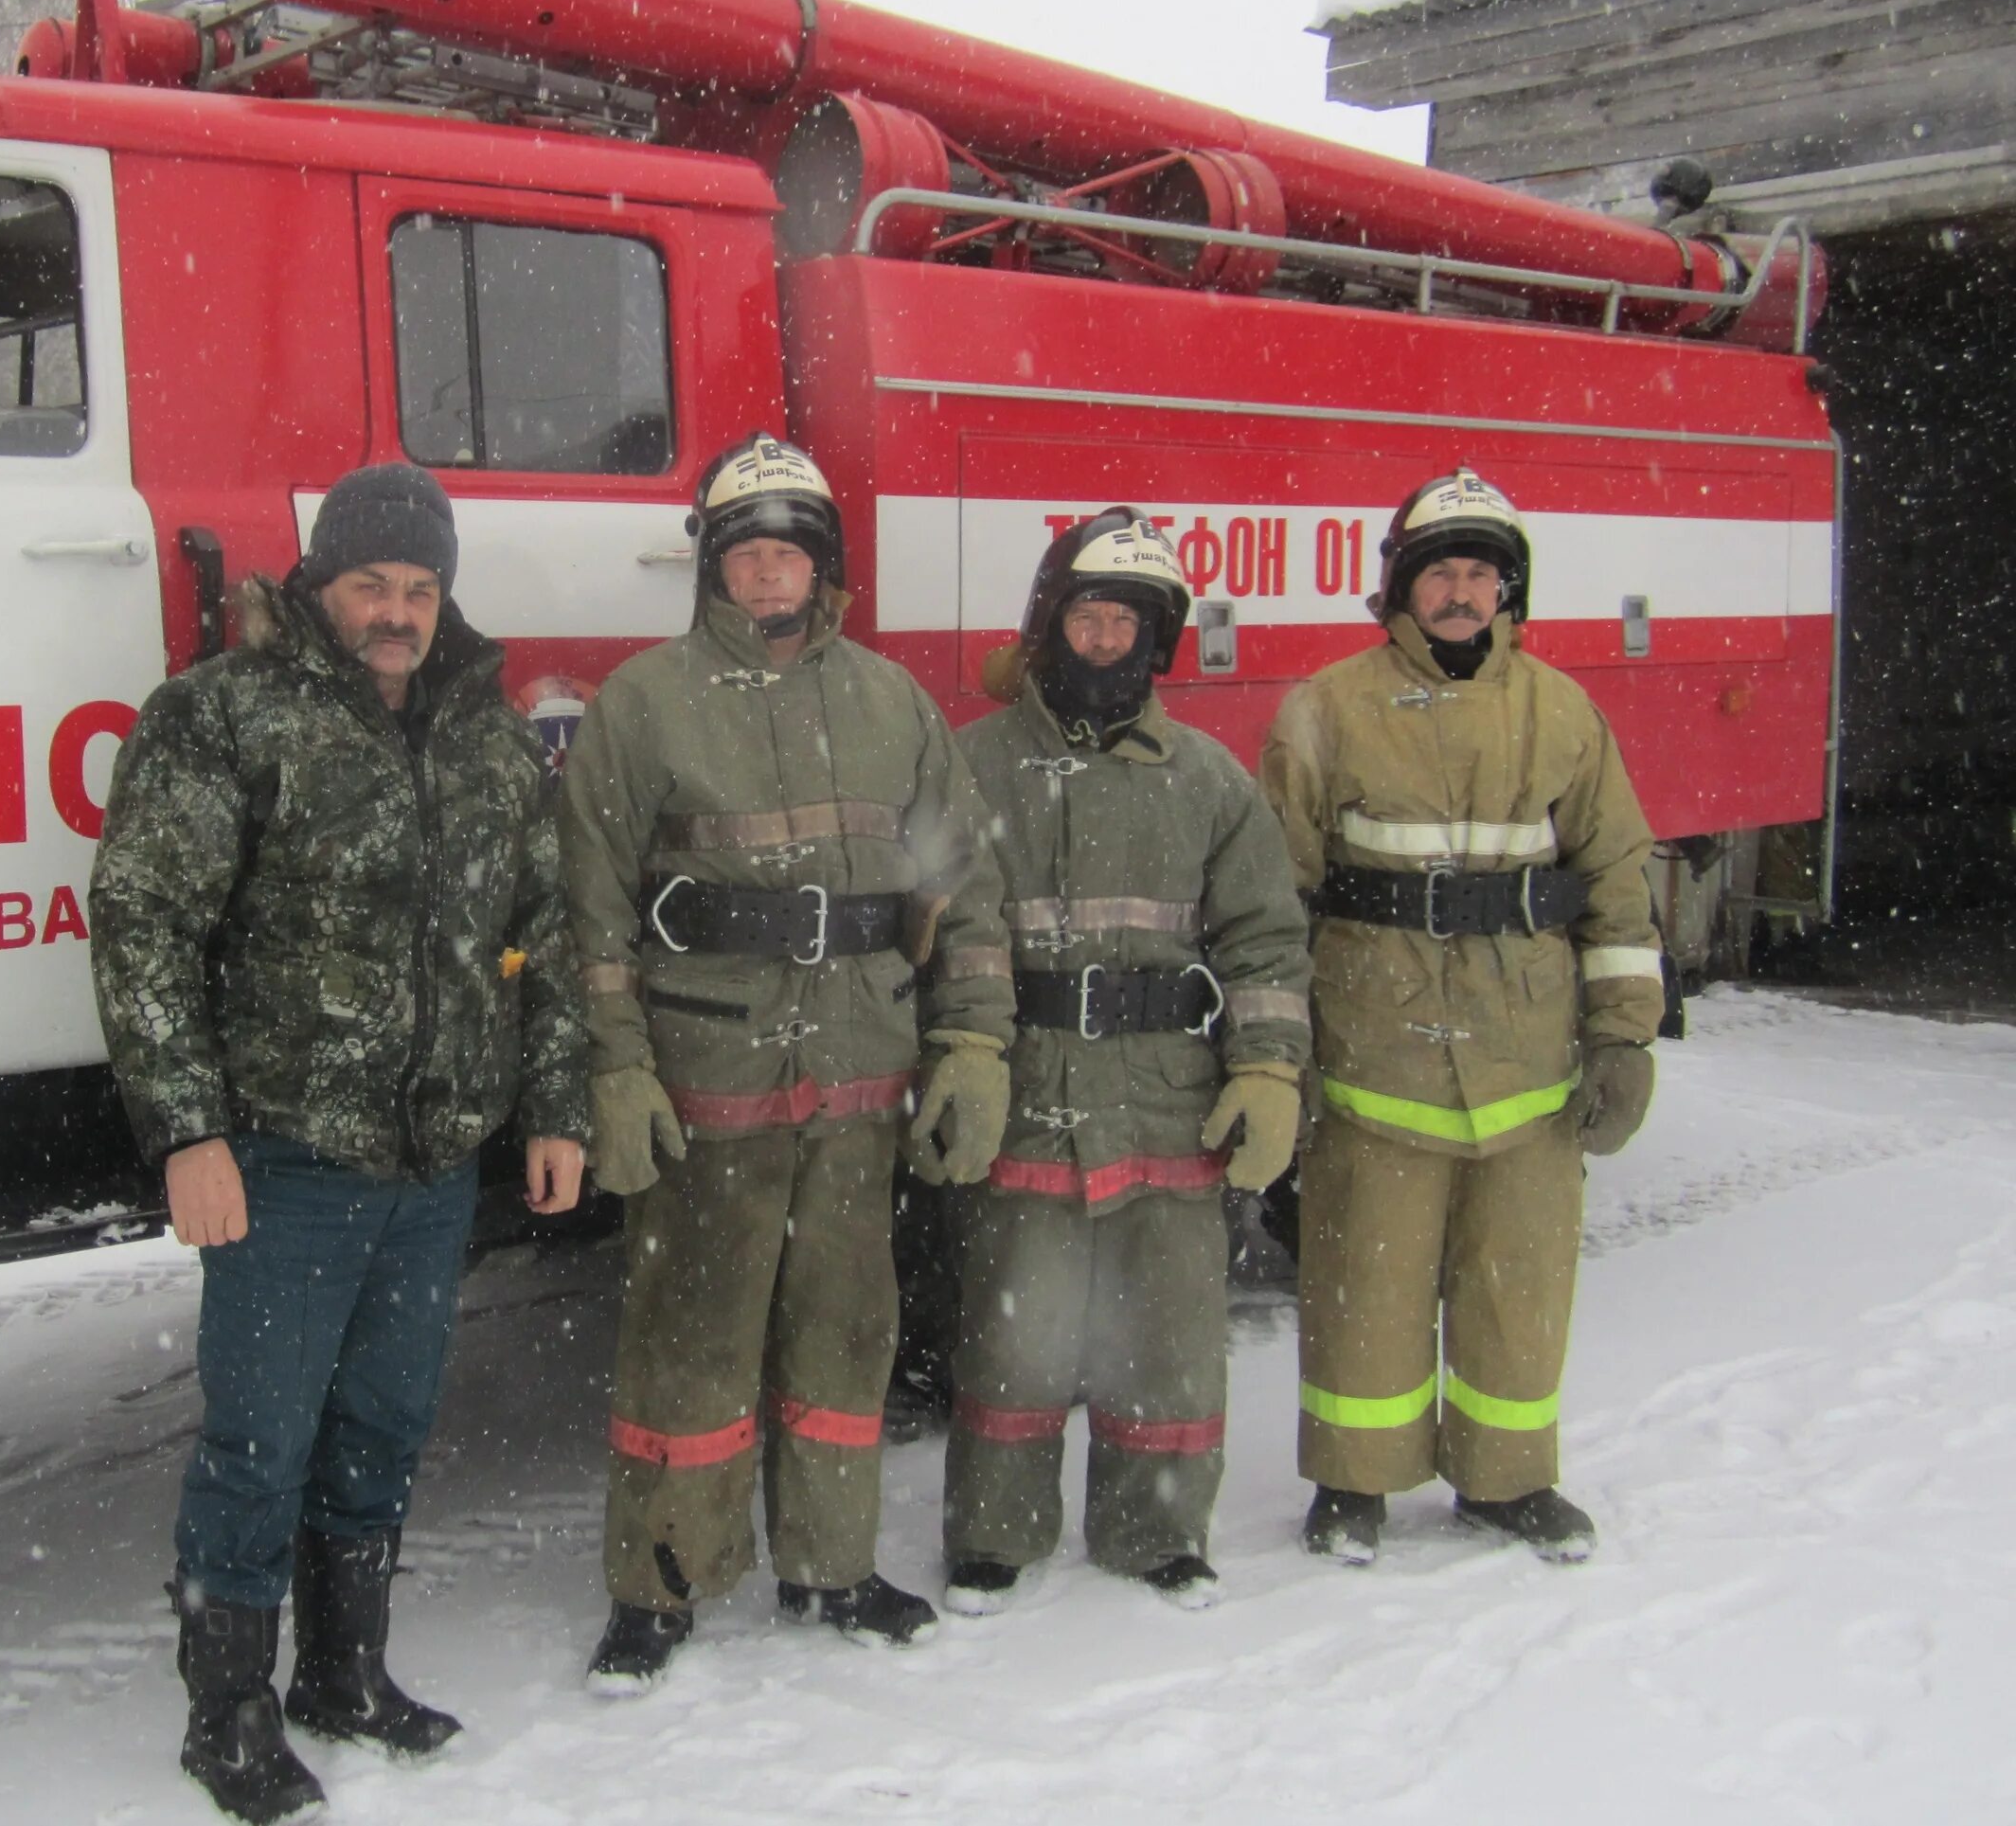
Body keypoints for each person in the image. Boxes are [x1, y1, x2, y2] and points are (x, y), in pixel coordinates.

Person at [90, 461, 589, 1823]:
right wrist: (186, 1130)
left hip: (433, 1162)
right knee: (259, 1441)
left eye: (420, 588)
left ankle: (345, 1672)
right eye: (371, 582)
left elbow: (540, 937)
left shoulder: (484, 737)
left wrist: (555, 1107)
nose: (397, 610)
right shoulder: (221, 719)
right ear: (318, 584)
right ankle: (229, 1713)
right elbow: (144, 925)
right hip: (286, 1155)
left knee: (386, 1422)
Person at [560, 433, 1013, 1693]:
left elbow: (963, 893)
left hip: (860, 1078)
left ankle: (833, 1562)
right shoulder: (643, 703)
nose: (769, 576)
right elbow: (588, 910)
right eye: (747, 553)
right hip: (711, 1077)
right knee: (689, 1339)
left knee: (849, 1331)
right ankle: (661, 1579)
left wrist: (972, 1044)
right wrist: (618, 1070)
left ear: (826, 570)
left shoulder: (891, 703)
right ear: (715, 568)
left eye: (790, 554)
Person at [1259, 469, 1664, 1566]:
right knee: (1364, 1273)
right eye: (1441, 569)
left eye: (1481, 572)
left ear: (1507, 590)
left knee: (1517, 1279)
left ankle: (1507, 1479)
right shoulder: (1328, 708)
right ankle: (1354, 1480)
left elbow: (1618, 881)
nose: (1460, 590)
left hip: (1526, 1058)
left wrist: (1624, 1036)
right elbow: (1272, 900)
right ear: (1402, 583)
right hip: (1372, 1049)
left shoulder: (1563, 711)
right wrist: (1272, 1054)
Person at [939, 510, 1311, 1613]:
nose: (1104, 639)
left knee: (1168, 1335)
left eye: (1126, 623)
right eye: (1087, 616)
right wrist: (962, 1052)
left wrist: (1270, 1066)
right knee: (1016, 1332)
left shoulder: (1209, 779)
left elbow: (1264, 938)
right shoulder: (976, 764)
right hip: (1031, 1091)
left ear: (1158, 644)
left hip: (1166, 1099)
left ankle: (1157, 1531)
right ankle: (996, 1534)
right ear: (1050, 626)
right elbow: (948, 918)